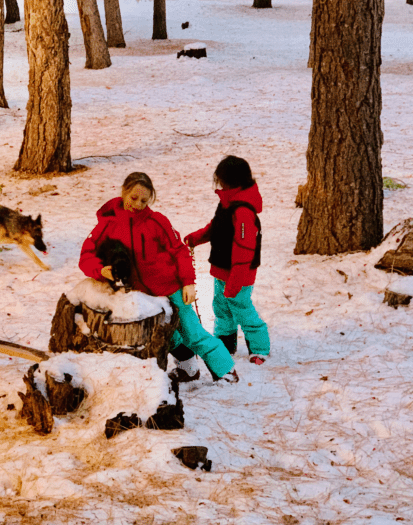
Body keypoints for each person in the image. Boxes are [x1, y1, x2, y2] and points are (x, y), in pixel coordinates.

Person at [79, 172, 238, 383]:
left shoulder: (157, 221)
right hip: (143, 296)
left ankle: (226, 370)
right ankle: (188, 368)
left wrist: (188, 282)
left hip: (171, 289)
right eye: (133, 198)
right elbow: (86, 255)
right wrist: (101, 270)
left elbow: (179, 250)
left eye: (144, 201)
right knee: (165, 336)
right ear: (124, 192)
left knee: (192, 333)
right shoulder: (108, 224)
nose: (137, 205)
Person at [185, 155, 270, 365]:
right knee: (221, 309)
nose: (219, 183)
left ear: (231, 181)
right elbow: (216, 228)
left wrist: (235, 281)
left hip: (239, 275)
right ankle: (225, 342)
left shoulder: (243, 211)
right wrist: (197, 238)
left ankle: (259, 348)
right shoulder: (226, 203)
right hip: (221, 270)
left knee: (242, 309)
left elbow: (244, 250)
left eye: (221, 179)